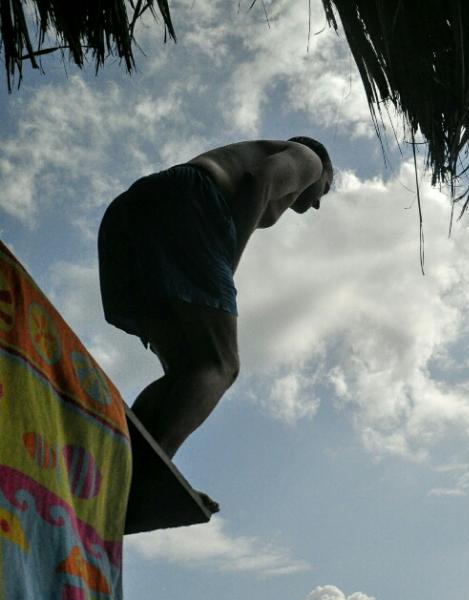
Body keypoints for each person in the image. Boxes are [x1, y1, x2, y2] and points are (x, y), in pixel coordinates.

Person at [97, 137, 333, 472]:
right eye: (327, 188)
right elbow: (259, 180)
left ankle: (120, 460)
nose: (320, 202)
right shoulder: (310, 160)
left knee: (187, 371)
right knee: (221, 364)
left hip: (132, 216)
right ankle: (150, 470)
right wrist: (228, 263)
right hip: (185, 201)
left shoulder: (261, 164)